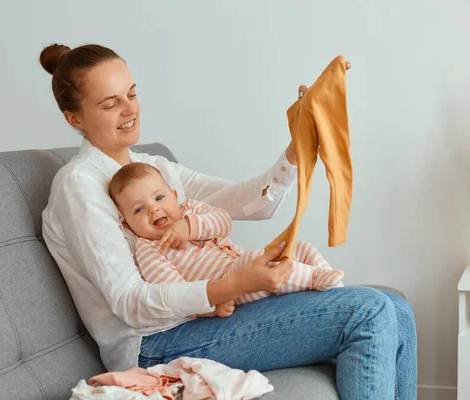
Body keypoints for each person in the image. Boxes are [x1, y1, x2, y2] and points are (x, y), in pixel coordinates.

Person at [40, 42, 417, 399]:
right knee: (369, 310)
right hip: (156, 344)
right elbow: (130, 302)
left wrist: (300, 140)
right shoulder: (80, 185)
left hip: (205, 317)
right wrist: (233, 284)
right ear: (73, 118)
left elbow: (249, 202)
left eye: (132, 94)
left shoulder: (154, 168)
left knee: (395, 308)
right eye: (110, 104)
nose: (130, 109)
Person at [108, 161, 344, 319]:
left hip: (244, 264)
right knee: (255, 259)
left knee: (297, 246)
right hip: (231, 285)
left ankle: (334, 288)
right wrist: (210, 309)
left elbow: (224, 221)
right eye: (139, 210)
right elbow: (175, 292)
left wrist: (190, 227)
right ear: (127, 225)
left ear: (174, 196)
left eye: (159, 197)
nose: (154, 209)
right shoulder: (149, 249)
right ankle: (313, 277)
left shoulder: (189, 209)